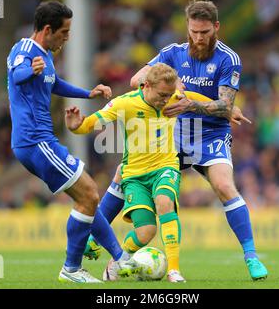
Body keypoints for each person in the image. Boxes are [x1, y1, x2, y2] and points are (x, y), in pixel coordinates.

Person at [85, 0, 268, 281]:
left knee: (224, 185)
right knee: (124, 174)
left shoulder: (228, 59)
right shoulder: (172, 54)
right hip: (175, 132)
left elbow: (225, 107)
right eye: (193, 31)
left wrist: (189, 103)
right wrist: (171, 85)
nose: (198, 38)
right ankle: (95, 239)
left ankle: (252, 257)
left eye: (204, 32)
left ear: (216, 28)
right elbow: (136, 81)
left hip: (210, 134)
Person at [6, 0, 139, 283]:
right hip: (34, 141)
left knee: (87, 196)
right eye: (64, 32)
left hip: (40, 141)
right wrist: (32, 70)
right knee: (89, 192)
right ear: (47, 29)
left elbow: (54, 83)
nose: (67, 38)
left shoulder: (46, 55)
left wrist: (88, 94)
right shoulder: (25, 51)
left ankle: (120, 258)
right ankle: (73, 268)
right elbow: (17, 76)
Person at [65, 63, 204, 282]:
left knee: (164, 200)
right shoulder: (125, 103)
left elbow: (199, 98)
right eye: (161, 95)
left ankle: (174, 270)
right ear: (146, 85)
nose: (165, 100)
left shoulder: (174, 98)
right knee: (146, 231)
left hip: (165, 167)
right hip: (135, 177)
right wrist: (76, 126)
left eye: (169, 95)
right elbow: (92, 122)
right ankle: (119, 259)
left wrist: (229, 109)